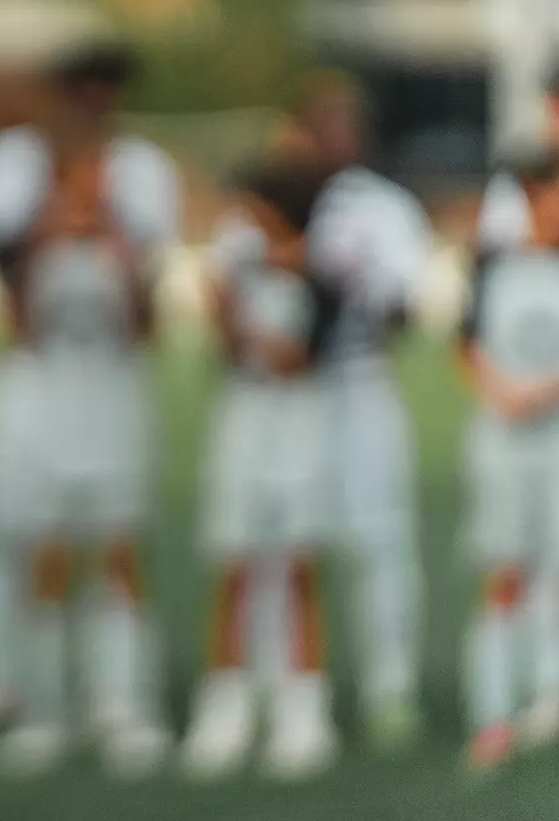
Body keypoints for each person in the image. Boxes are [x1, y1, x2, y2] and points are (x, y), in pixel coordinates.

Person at [0, 44, 180, 778]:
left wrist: (110, 237)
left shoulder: (144, 172)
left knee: (117, 543)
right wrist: (50, 230)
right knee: (9, 531)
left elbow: (148, 307)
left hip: (112, 387)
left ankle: (119, 701)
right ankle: (5, 690)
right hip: (34, 381)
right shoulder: (17, 160)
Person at [183, 157, 341, 780]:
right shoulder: (241, 270)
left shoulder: (321, 277)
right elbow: (228, 356)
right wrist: (222, 315)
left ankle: (304, 712)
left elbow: (300, 360)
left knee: (298, 567)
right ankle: (226, 708)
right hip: (243, 424)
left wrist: (240, 318)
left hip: (300, 427)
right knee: (237, 566)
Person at [294, 76, 433, 747]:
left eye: (345, 127)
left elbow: (403, 308)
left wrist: (351, 286)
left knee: (380, 542)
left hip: (363, 383)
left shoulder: (387, 209)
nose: (335, 141)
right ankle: (300, 690)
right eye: (323, 127)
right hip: (294, 394)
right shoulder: (284, 202)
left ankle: (390, 687)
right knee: (291, 542)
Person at [459, 148, 559, 772]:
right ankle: (493, 718)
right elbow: (465, 344)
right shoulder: (492, 265)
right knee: (505, 573)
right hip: (507, 438)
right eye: (553, 194)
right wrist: (501, 391)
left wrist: (553, 389)